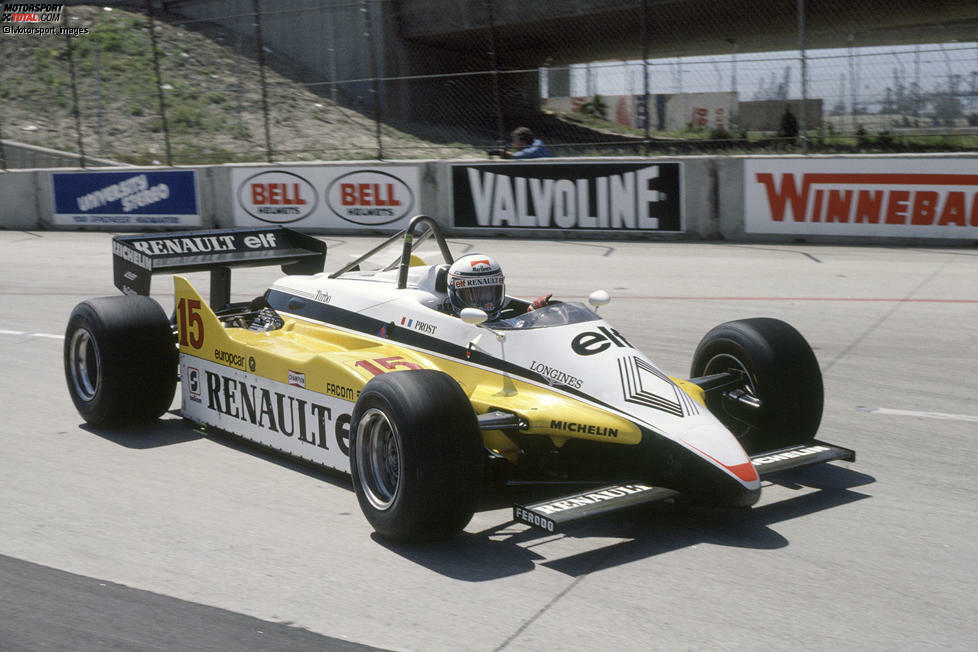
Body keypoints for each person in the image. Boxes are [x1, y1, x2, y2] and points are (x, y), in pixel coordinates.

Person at [445, 253, 552, 320]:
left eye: (490, 293)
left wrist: (531, 314)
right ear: (454, 294)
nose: (486, 302)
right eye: (476, 295)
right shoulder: (447, 324)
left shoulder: (508, 318)